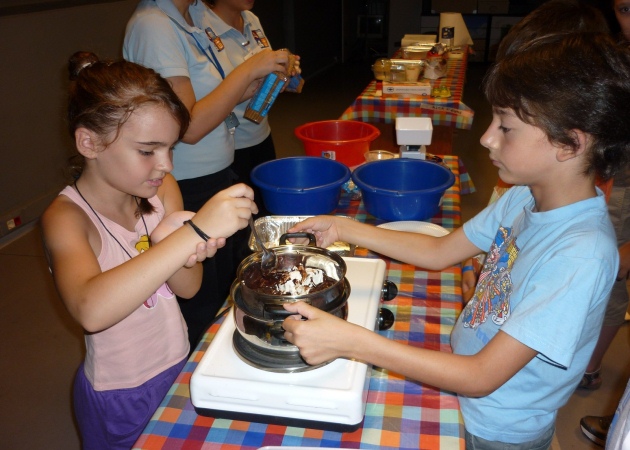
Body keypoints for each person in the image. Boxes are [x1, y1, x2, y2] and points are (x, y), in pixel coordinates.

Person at [282, 32, 630, 448]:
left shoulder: (581, 254)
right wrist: (343, 228)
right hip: (465, 382)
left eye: (506, 127)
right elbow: (440, 250)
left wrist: (354, 341)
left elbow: (482, 377)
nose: (486, 138)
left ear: (570, 143)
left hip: (498, 427)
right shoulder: (525, 195)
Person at [40, 51, 256, 449]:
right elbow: (91, 309)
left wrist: (170, 242)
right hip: (118, 391)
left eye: (171, 149)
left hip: (175, 363)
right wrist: (192, 234)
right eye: (148, 150)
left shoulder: (161, 191)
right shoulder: (66, 218)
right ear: (89, 142)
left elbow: (188, 288)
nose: (165, 165)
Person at [123, 0, 296, 350]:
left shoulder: (194, 16)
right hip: (187, 182)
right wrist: (249, 70)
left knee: (225, 288)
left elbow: (218, 99)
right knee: (199, 300)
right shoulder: (153, 24)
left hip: (218, 170)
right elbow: (187, 127)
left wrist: (261, 84)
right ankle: (192, 381)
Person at [580, 1, 630, 445]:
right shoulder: (620, 56)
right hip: (610, 179)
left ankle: (589, 369)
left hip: (622, 190)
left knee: (610, 276)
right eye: (626, 9)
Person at [204, 0, 294, 217]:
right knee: (242, 220)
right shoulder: (202, 27)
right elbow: (210, 95)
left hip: (261, 133)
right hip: (231, 144)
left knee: (266, 211)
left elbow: (265, 70)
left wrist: (283, 69)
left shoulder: (251, 20)